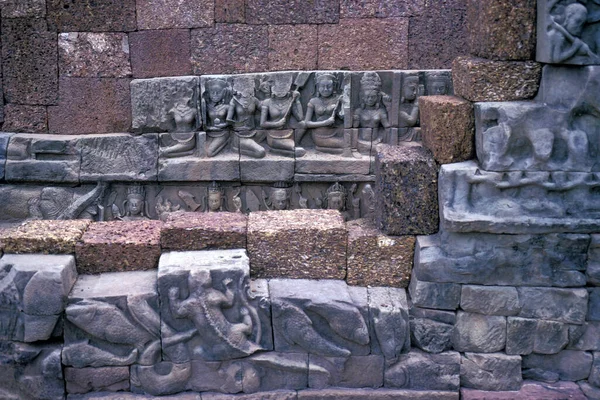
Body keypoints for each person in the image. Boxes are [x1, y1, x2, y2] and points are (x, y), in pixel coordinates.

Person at [303, 72, 354, 157]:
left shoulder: (337, 99)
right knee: (346, 145)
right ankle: (321, 147)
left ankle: (322, 149)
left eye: (329, 87)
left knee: (352, 141)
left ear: (334, 87)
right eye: (322, 87)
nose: (325, 89)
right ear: (317, 87)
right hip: (320, 135)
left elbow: (343, 117)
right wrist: (325, 123)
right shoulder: (313, 101)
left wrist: (345, 103)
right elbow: (307, 123)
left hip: (336, 131)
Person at [353, 72, 391, 154]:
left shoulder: (381, 111)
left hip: (377, 143)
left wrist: (388, 106)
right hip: (360, 142)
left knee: (380, 149)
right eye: (367, 97)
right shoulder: (358, 111)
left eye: (373, 97)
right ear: (362, 97)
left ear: (377, 97)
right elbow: (354, 129)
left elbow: (387, 127)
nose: (369, 99)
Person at [203, 78, 231, 157]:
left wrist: (224, 125)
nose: (215, 95)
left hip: (223, 133)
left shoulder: (227, 107)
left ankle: (228, 142)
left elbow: (231, 122)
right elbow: (204, 123)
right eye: (212, 93)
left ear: (223, 93)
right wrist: (209, 128)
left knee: (209, 153)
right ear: (209, 93)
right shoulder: (206, 107)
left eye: (218, 93)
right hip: (210, 132)